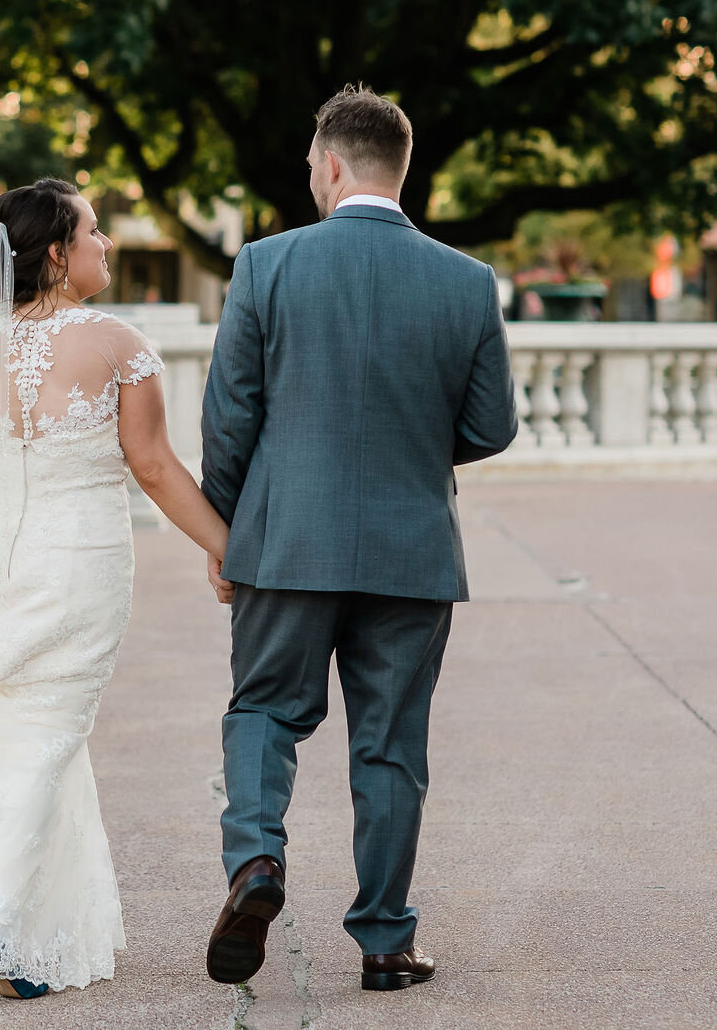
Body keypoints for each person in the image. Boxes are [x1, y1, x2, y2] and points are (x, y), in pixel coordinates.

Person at [0, 178, 230, 1002]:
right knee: (48, 737)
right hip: (76, 568)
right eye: (94, 232)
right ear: (58, 254)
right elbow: (156, 467)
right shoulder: (118, 343)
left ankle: (30, 930)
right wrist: (226, 548)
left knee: (3, 741)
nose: (107, 246)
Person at [199, 85, 519, 993]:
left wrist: (225, 533)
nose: (309, 176)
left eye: (310, 164)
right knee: (390, 745)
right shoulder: (466, 279)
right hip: (412, 547)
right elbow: (492, 424)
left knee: (263, 710)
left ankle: (257, 862)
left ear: (333, 165)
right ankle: (385, 942)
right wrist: (415, 448)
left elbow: (229, 419)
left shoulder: (266, 265)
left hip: (286, 540)